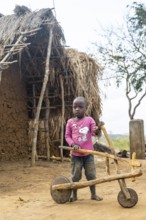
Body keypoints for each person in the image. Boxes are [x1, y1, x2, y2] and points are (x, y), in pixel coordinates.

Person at [65, 96, 103, 202]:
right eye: (75, 107)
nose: (77, 109)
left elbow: (94, 132)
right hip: (75, 155)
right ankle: (74, 195)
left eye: (80, 107)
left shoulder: (89, 120)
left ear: (85, 108)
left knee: (91, 174)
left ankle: (93, 194)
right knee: (76, 175)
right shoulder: (70, 122)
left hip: (88, 154)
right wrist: (72, 144)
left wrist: (97, 129)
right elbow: (67, 136)